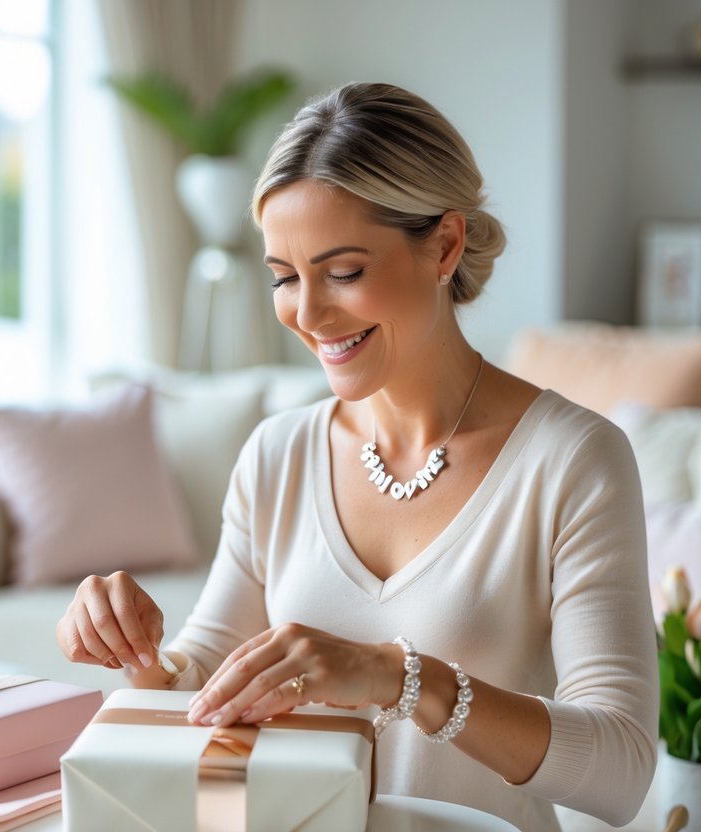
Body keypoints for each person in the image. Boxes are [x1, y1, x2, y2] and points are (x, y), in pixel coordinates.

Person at [56, 82, 656, 830]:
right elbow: (200, 679)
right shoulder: (278, 454)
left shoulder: (572, 461)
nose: (306, 315)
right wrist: (130, 648)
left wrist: (402, 679)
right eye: (283, 276)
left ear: (443, 245)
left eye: (342, 272)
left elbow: (622, 771)